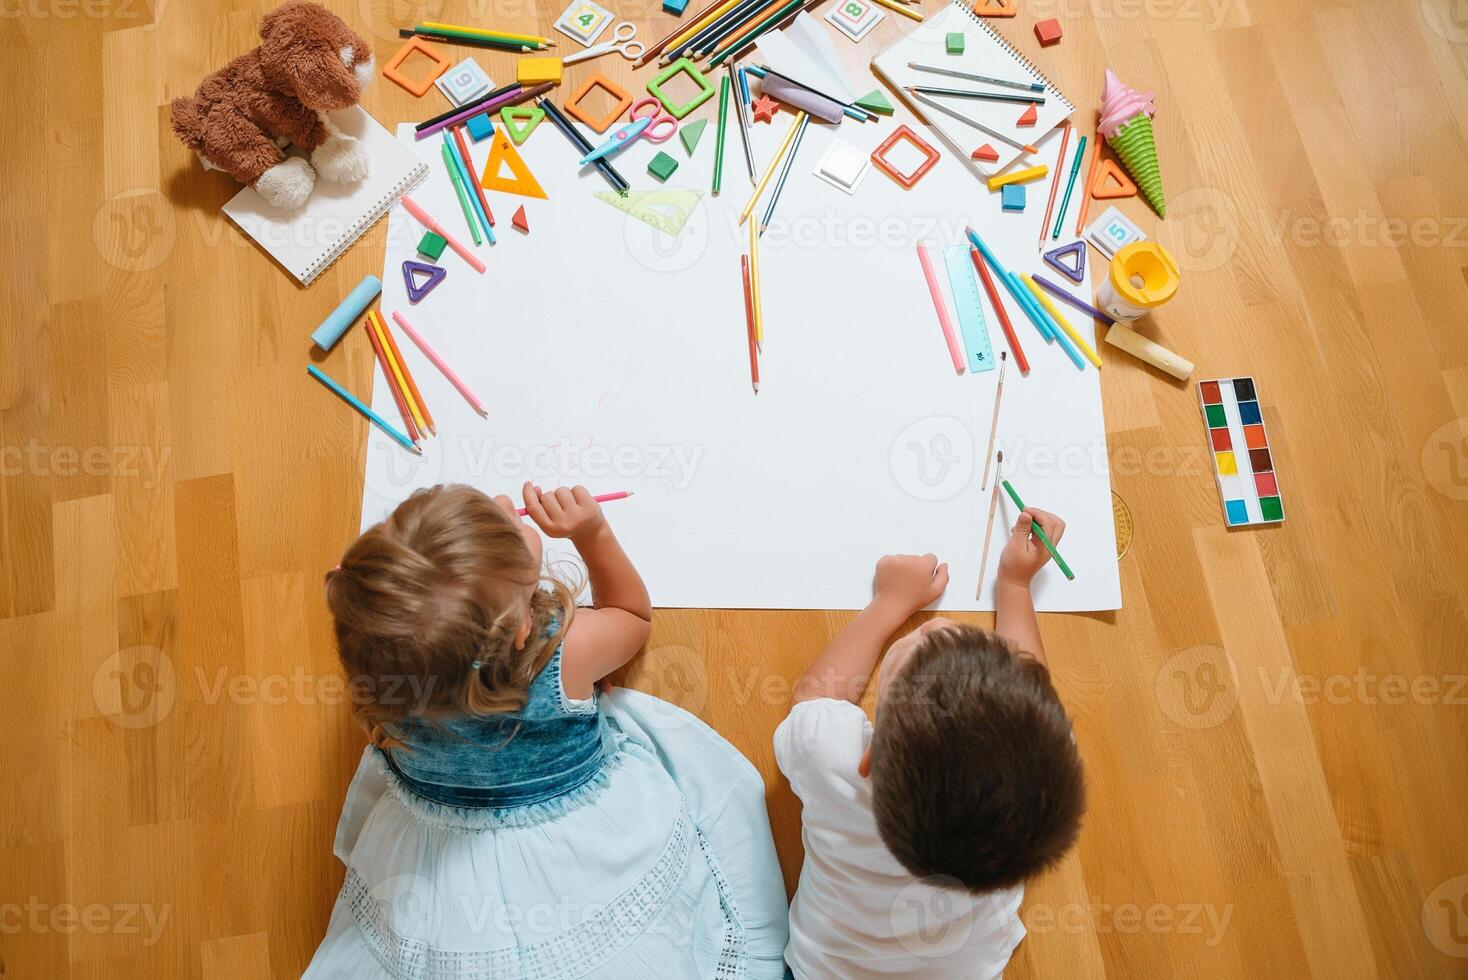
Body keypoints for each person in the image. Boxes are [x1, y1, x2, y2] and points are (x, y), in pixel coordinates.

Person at [306, 483, 789, 979]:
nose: (503, 504)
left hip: (440, 873)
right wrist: (592, 532)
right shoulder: (563, 654)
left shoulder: (383, 666)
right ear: (518, 631)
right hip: (578, 855)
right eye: (514, 531)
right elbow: (632, 616)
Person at [775, 509, 1086, 979]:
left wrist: (890, 602)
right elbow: (1029, 691)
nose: (938, 626)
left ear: (870, 758)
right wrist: (1016, 586)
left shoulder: (830, 760)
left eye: (918, 646)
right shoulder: (1037, 772)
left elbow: (815, 697)